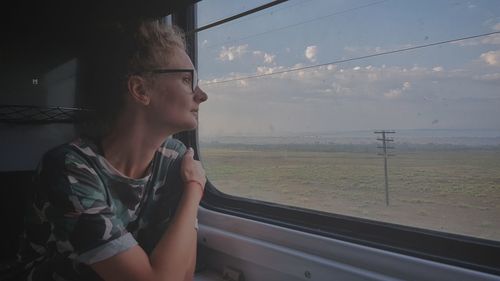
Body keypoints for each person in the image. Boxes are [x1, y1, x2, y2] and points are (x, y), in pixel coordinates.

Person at [16, 20, 208, 281]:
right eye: (187, 80)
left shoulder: (175, 158)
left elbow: (184, 273)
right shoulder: (68, 169)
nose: (202, 94)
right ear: (140, 90)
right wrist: (195, 187)